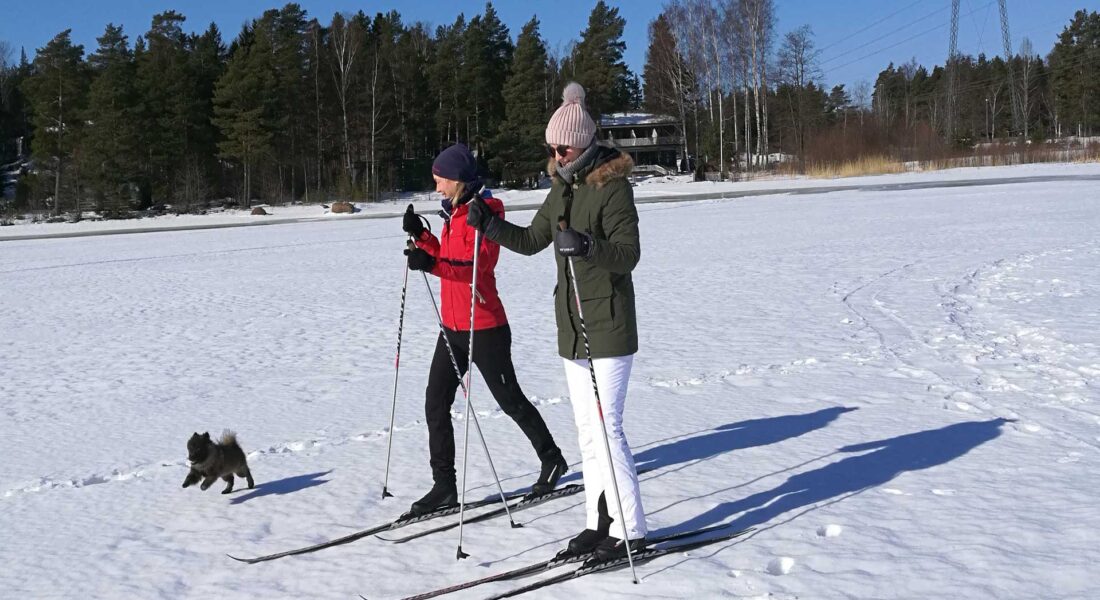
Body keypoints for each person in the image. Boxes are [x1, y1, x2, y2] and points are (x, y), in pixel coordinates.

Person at [466, 83, 647, 560]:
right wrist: (488, 224)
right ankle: (598, 522)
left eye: (562, 148)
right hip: (573, 329)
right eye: (552, 148)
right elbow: (531, 241)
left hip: (608, 325)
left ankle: (631, 529)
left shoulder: (612, 187)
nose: (556, 155)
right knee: (587, 432)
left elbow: (628, 255)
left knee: (608, 430)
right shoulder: (561, 187)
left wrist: (587, 246)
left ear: (583, 143)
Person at [401, 143, 568, 516]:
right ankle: (444, 486)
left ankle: (552, 458)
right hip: (452, 328)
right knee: (435, 403)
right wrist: (423, 238)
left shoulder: (487, 212)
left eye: (440, 179)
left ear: (458, 179)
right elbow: (448, 257)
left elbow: (474, 268)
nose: (437, 186)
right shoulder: (452, 213)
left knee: (511, 401)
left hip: (485, 327)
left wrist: (429, 264)